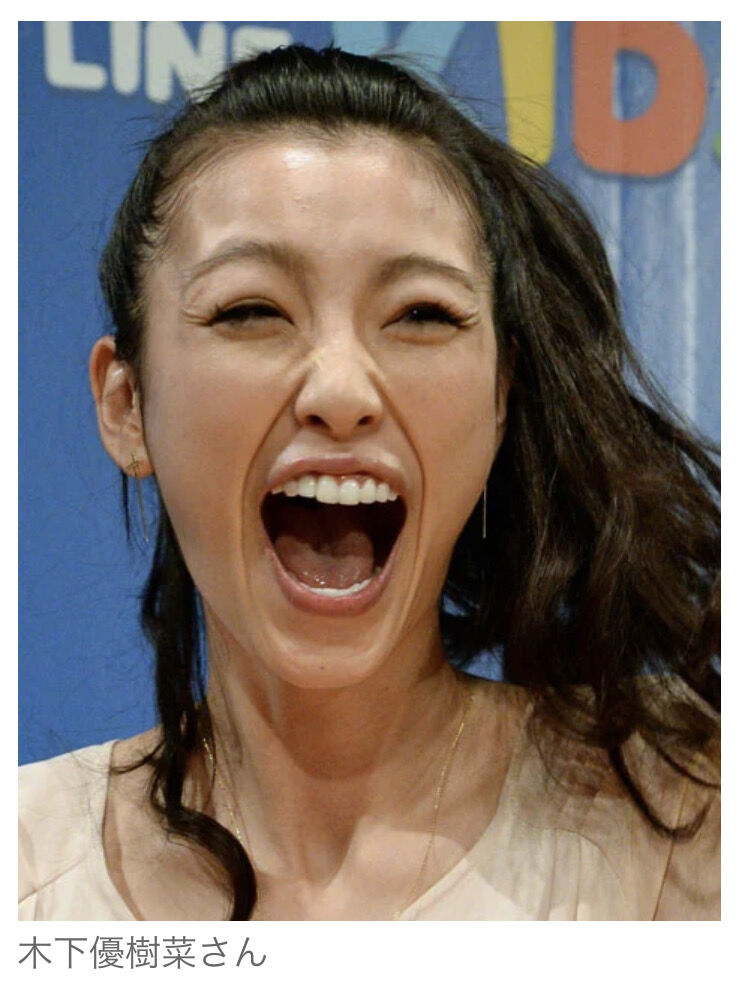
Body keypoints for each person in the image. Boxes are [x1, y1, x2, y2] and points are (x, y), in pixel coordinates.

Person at [19, 44, 720, 921]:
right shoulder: (26, 867)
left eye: (421, 314)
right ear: (126, 406)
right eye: (251, 310)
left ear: (502, 396)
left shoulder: (687, 822)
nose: (342, 392)